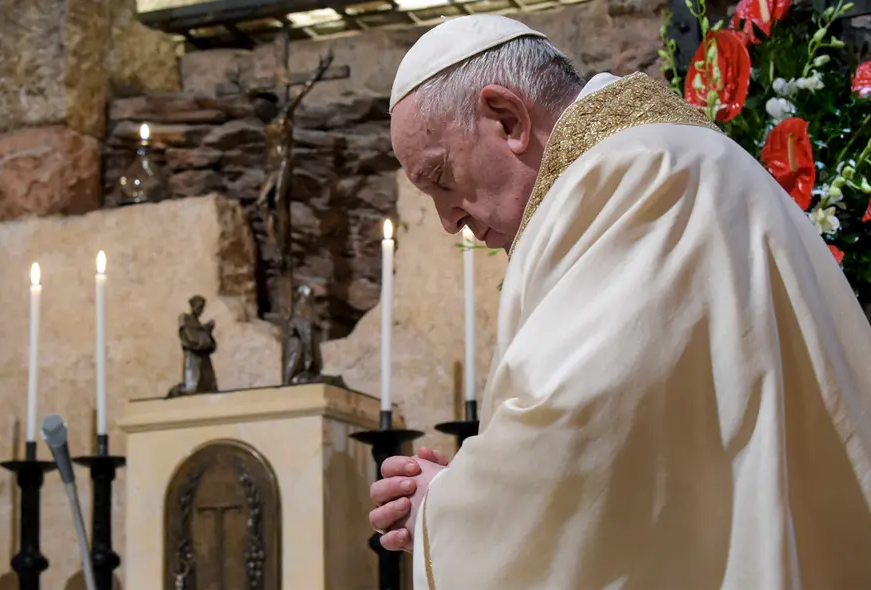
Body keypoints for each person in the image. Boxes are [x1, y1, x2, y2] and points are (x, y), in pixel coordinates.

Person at [368, 13, 871, 590]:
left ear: (507, 119)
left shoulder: (632, 180)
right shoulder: (670, 158)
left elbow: (578, 427)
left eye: (442, 178)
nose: (448, 219)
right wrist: (477, 487)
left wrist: (453, 508)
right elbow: (654, 450)